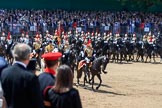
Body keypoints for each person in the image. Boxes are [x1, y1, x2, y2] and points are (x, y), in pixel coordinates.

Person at [0, 43, 44, 108]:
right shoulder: (30, 77)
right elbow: (37, 102)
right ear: (28, 56)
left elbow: (4, 98)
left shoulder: (5, 73)